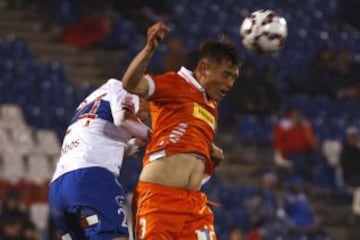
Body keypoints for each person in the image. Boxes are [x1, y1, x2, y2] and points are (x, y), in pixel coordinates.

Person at [122, 22, 241, 239]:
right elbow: (131, 84)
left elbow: (187, 128)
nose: (230, 83)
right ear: (204, 69)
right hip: (158, 199)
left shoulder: (212, 105)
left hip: (193, 205)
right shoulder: (174, 83)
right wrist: (149, 50)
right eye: (225, 75)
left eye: (234, 77)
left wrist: (209, 148)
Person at [48, 78, 150, 240]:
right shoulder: (121, 88)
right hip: (91, 181)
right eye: (148, 108)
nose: (145, 116)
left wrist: (128, 147)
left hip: (59, 189)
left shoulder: (90, 101)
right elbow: (123, 119)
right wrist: (156, 138)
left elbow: (93, 140)